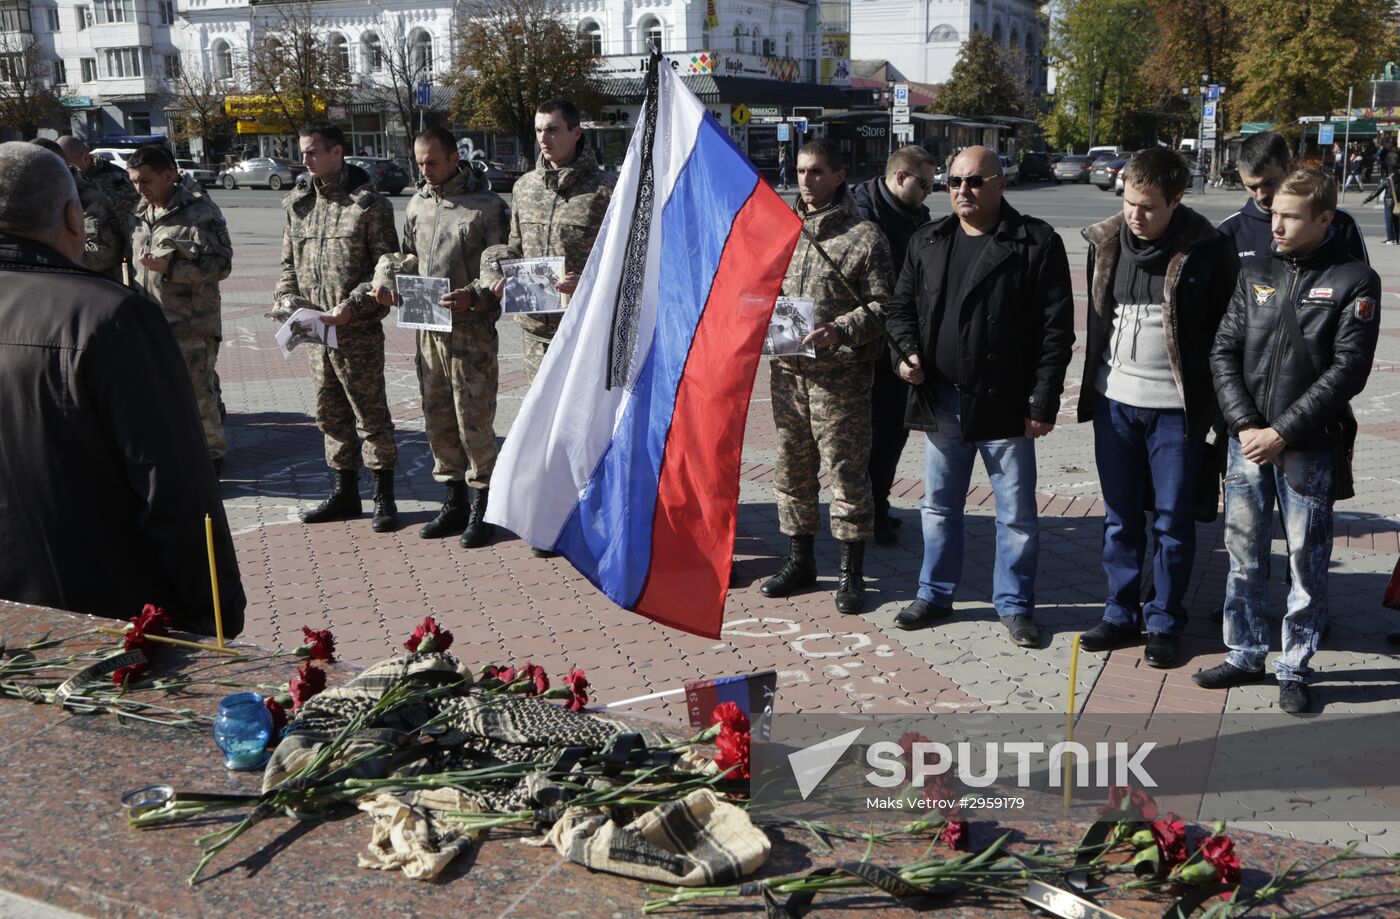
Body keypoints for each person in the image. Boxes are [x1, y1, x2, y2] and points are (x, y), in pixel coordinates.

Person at [0, 142, 244, 635]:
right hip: (102, 617)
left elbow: (218, 261)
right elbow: (173, 488)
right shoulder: (107, 318)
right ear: (73, 217)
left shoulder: (193, 214)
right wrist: (213, 613)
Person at [1198, 170, 1381, 714]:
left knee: (1307, 559)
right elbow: (1223, 351)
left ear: (1324, 219)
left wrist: (1282, 431)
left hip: (1307, 448)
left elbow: (1348, 370)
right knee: (1244, 555)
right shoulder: (1253, 270)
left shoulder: (1355, 280)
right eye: (1274, 212)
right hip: (1247, 441)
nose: (1275, 223)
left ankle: (1294, 665)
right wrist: (1246, 425)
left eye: (1290, 215)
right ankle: (1244, 651)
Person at [883, 145, 1074, 647]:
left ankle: (1014, 604)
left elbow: (1057, 332)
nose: (962, 191)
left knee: (1015, 513)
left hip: (1005, 402)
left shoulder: (1035, 241)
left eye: (974, 182)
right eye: (953, 182)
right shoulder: (928, 239)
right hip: (940, 397)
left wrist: (1042, 401)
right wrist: (905, 354)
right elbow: (899, 309)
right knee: (939, 506)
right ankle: (934, 593)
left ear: (1000, 184)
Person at [1076, 148, 1239, 668]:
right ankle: (1120, 611)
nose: (1135, 215)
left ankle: (1164, 620)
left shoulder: (1208, 250)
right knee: (1121, 519)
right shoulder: (1104, 244)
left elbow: (1226, 334)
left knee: (1172, 522)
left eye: (1148, 206)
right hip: (1115, 406)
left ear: (1176, 200)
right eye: (1129, 202)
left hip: (1177, 412)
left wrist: (1217, 409)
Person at [759, 138, 894, 614]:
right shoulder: (782, 230)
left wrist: (840, 330)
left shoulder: (863, 237)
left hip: (840, 379)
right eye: (800, 171)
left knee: (846, 473)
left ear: (838, 176)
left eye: (817, 171)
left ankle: (851, 573)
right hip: (787, 374)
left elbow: (885, 305)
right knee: (792, 469)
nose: (807, 180)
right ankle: (800, 561)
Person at [372, 126, 510, 548]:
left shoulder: (487, 207)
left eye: (432, 162)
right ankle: (451, 502)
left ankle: (483, 507)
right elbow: (408, 254)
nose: (425, 170)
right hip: (429, 330)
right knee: (438, 420)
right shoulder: (416, 204)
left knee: (475, 422)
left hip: (471, 334)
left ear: (455, 158)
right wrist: (387, 276)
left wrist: (474, 296)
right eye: (419, 163)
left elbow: (503, 265)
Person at [275, 122, 401, 532]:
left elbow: (387, 268)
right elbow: (288, 265)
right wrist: (286, 300)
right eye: (303, 153)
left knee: (369, 414)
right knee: (329, 414)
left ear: (337, 152)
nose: (306, 160)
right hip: (315, 331)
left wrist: (353, 305)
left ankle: (384, 497)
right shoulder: (298, 204)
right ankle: (344, 492)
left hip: (356, 331)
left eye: (313, 152)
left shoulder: (368, 206)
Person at [481, 99, 613, 387]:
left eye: (552, 129)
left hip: (584, 332)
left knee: (581, 428)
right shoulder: (525, 187)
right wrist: (498, 272)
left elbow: (625, 263)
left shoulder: (607, 190)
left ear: (576, 132)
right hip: (535, 335)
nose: (543, 138)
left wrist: (588, 283)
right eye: (539, 130)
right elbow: (514, 247)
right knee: (540, 429)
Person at [127, 145, 233, 474]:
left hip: (191, 327)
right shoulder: (140, 212)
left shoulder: (200, 212)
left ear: (169, 175)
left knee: (199, 397)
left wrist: (170, 269)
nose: (139, 188)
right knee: (158, 398)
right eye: (134, 181)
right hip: (151, 324)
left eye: (146, 180)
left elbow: (221, 265)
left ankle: (212, 461)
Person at [850, 144, 936, 546]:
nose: (929, 193)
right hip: (858, 342)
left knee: (891, 430)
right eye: (925, 184)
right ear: (901, 177)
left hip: (898, 338)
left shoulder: (917, 215)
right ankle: (861, 513)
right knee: (861, 434)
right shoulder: (857, 212)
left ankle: (878, 504)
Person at [1219, 132, 1368, 263]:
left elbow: (1362, 284)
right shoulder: (1230, 231)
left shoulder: (1339, 223)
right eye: (1251, 187)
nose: (1260, 195)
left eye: (1269, 183)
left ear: (1291, 168)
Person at [31, 138, 122, 280]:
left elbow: (103, 254)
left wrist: (47, 258)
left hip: (91, 287)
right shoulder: (34, 197)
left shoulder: (89, 198)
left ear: (60, 166)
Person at [1361, 166, 1398, 245]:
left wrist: (1365, 201)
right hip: (1398, 204)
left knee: (1389, 221)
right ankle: (1397, 239)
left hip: (1388, 204)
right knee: (1396, 221)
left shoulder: (1388, 180)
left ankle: (1390, 239)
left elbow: (1376, 192)